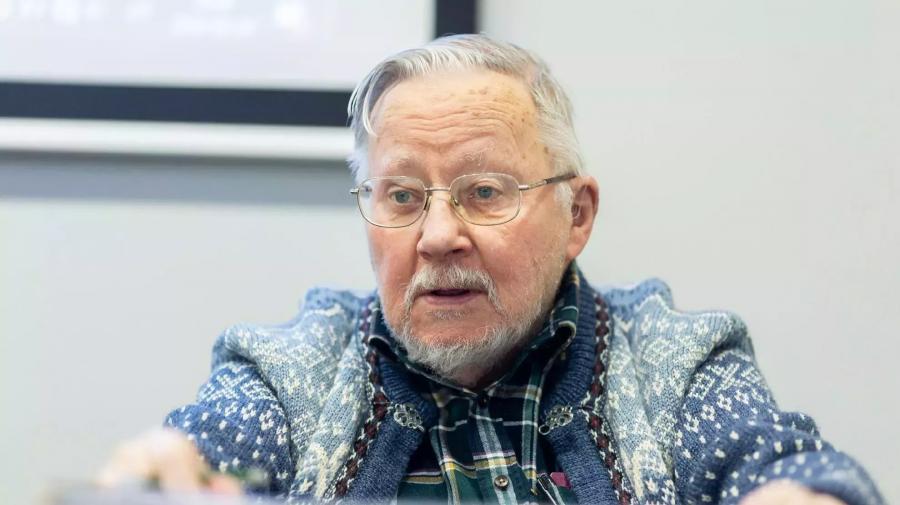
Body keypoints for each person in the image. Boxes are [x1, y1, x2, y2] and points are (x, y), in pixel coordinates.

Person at [97, 34, 883, 504]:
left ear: (577, 214)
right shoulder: (287, 370)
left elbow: (782, 464)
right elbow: (207, 450)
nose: (438, 236)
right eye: (402, 196)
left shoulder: (676, 362)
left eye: (484, 192)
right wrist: (166, 473)